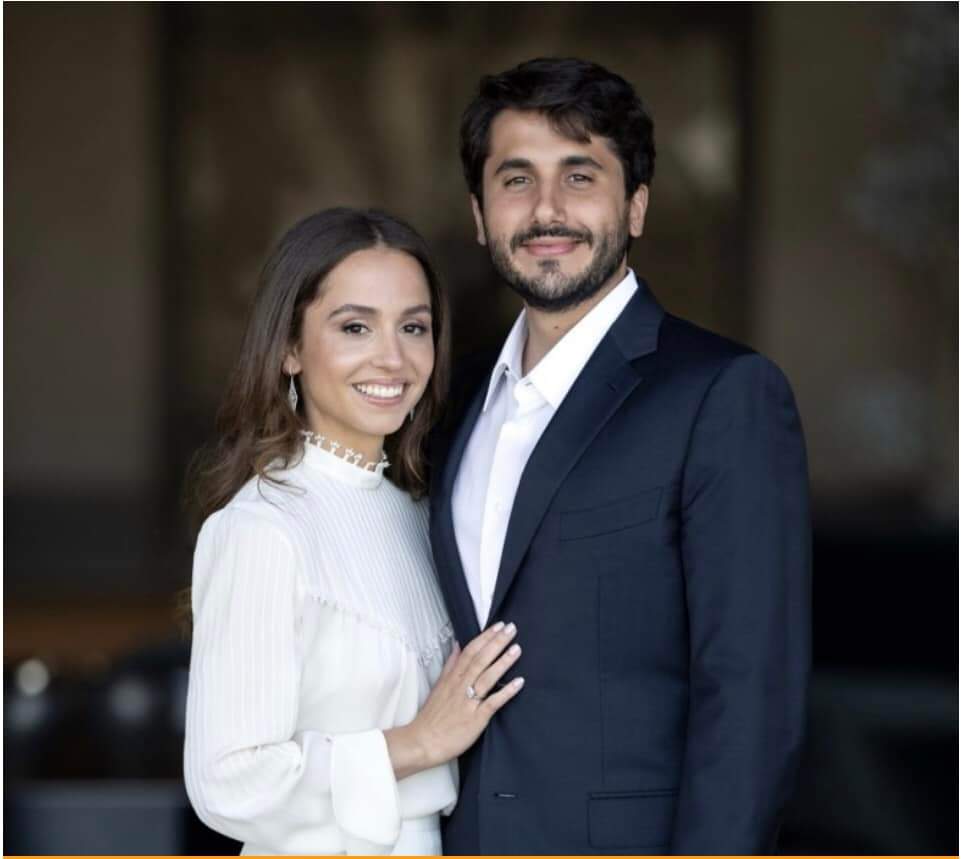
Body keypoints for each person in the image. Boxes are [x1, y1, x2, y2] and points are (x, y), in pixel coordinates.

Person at [429, 58, 811, 854]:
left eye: (580, 176)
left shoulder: (723, 394)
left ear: (635, 205)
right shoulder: (451, 402)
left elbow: (750, 698)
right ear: (479, 214)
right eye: (516, 179)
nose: (546, 209)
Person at [183, 207, 525, 856]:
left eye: (413, 327)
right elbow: (226, 780)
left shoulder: (424, 517)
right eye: (355, 326)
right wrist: (417, 743)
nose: (392, 358)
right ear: (289, 348)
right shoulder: (262, 529)